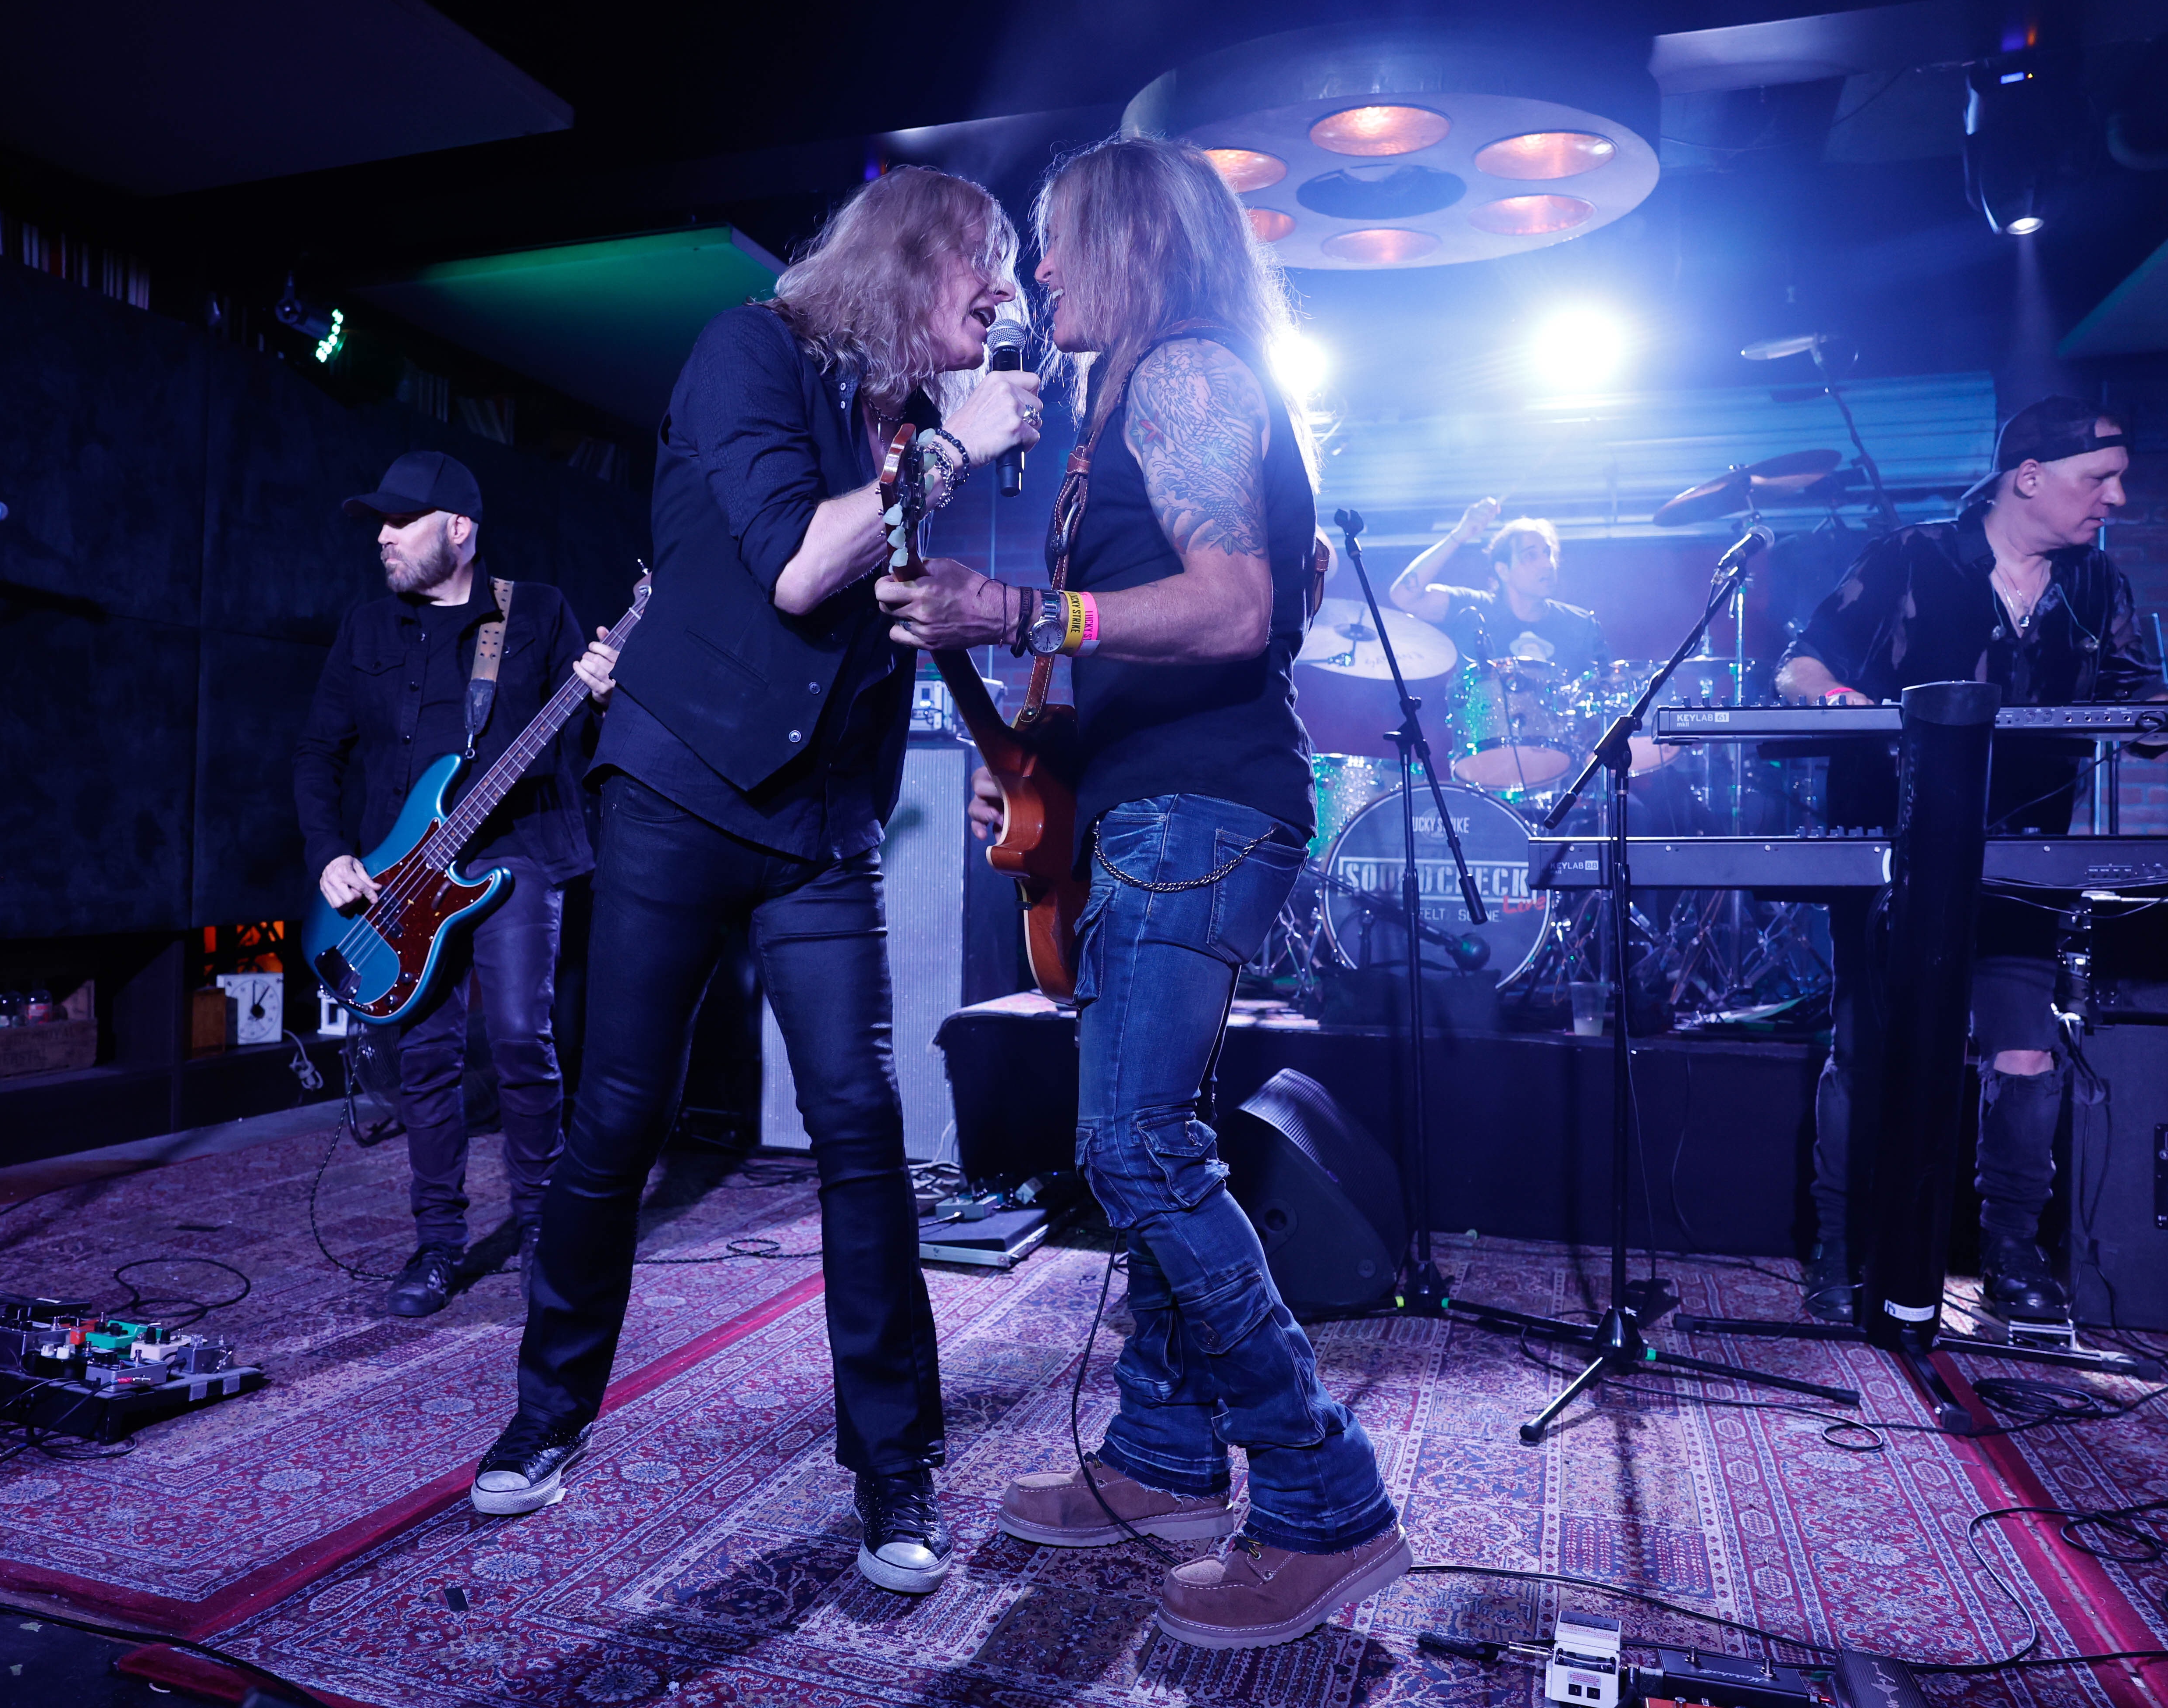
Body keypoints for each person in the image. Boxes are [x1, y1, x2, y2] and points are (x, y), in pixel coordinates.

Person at [466, 167, 1045, 1598]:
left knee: (863, 1125)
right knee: (621, 1114)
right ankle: (547, 1414)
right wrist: (946, 455)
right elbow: (793, 566)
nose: (1007, 294)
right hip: (676, 786)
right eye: (985, 264)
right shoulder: (751, 351)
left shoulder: (905, 422)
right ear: (907, 259)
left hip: (820, 825)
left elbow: (873, 603)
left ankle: (894, 1464)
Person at [881, 135, 1407, 1652]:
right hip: (1143, 806)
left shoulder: (1185, 374)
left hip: (1201, 809)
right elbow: (1119, 644)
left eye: (1059, 239)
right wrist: (1030, 757)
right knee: (1150, 1134)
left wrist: (1013, 607)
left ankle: (1324, 1494)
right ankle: (1164, 1454)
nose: (1040, 271)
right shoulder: (1126, 398)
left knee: (1133, 1144)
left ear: (1134, 241)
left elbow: (1233, 610)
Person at [1777, 397, 2164, 1327]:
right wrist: (1842, 702)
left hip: (2022, 858)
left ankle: (2011, 1253)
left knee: (2025, 1049)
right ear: (2028, 478)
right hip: (1897, 850)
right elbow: (1801, 664)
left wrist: (2158, 714)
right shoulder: (1911, 557)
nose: (2114, 498)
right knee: (1869, 1050)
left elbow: (2143, 707)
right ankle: (1842, 1248)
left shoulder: (2097, 585)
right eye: (2098, 479)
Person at [294, 450, 612, 1319]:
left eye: (403, 521)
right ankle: (438, 1245)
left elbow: (585, 752)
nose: (384, 538)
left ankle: (544, 1230)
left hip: (515, 855)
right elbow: (319, 752)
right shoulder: (366, 629)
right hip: (399, 879)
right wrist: (329, 852)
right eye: (381, 524)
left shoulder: (535, 612)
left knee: (518, 1038)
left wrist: (603, 699)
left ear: (461, 530)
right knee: (424, 1057)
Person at [1390, 505, 1606, 672]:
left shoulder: (1581, 624)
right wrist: (1459, 535)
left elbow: (1609, 691)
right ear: (1503, 571)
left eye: (1547, 554)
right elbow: (1404, 597)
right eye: (1531, 555)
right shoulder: (1472, 610)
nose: (1547, 564)